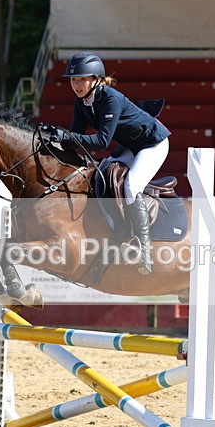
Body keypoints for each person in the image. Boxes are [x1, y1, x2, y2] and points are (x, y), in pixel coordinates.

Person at [46, 52, 171, 276]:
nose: (76, 84)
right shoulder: (81, 103)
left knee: (131, 186)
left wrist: (64, 136)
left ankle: (144, 249)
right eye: (73, 80)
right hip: (130, 146)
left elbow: (102, 141)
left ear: (96, 79)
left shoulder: (111, 98)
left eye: (81, 79)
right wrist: (50, 141)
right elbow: (76, 140)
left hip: (153, 144)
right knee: (100, 176)